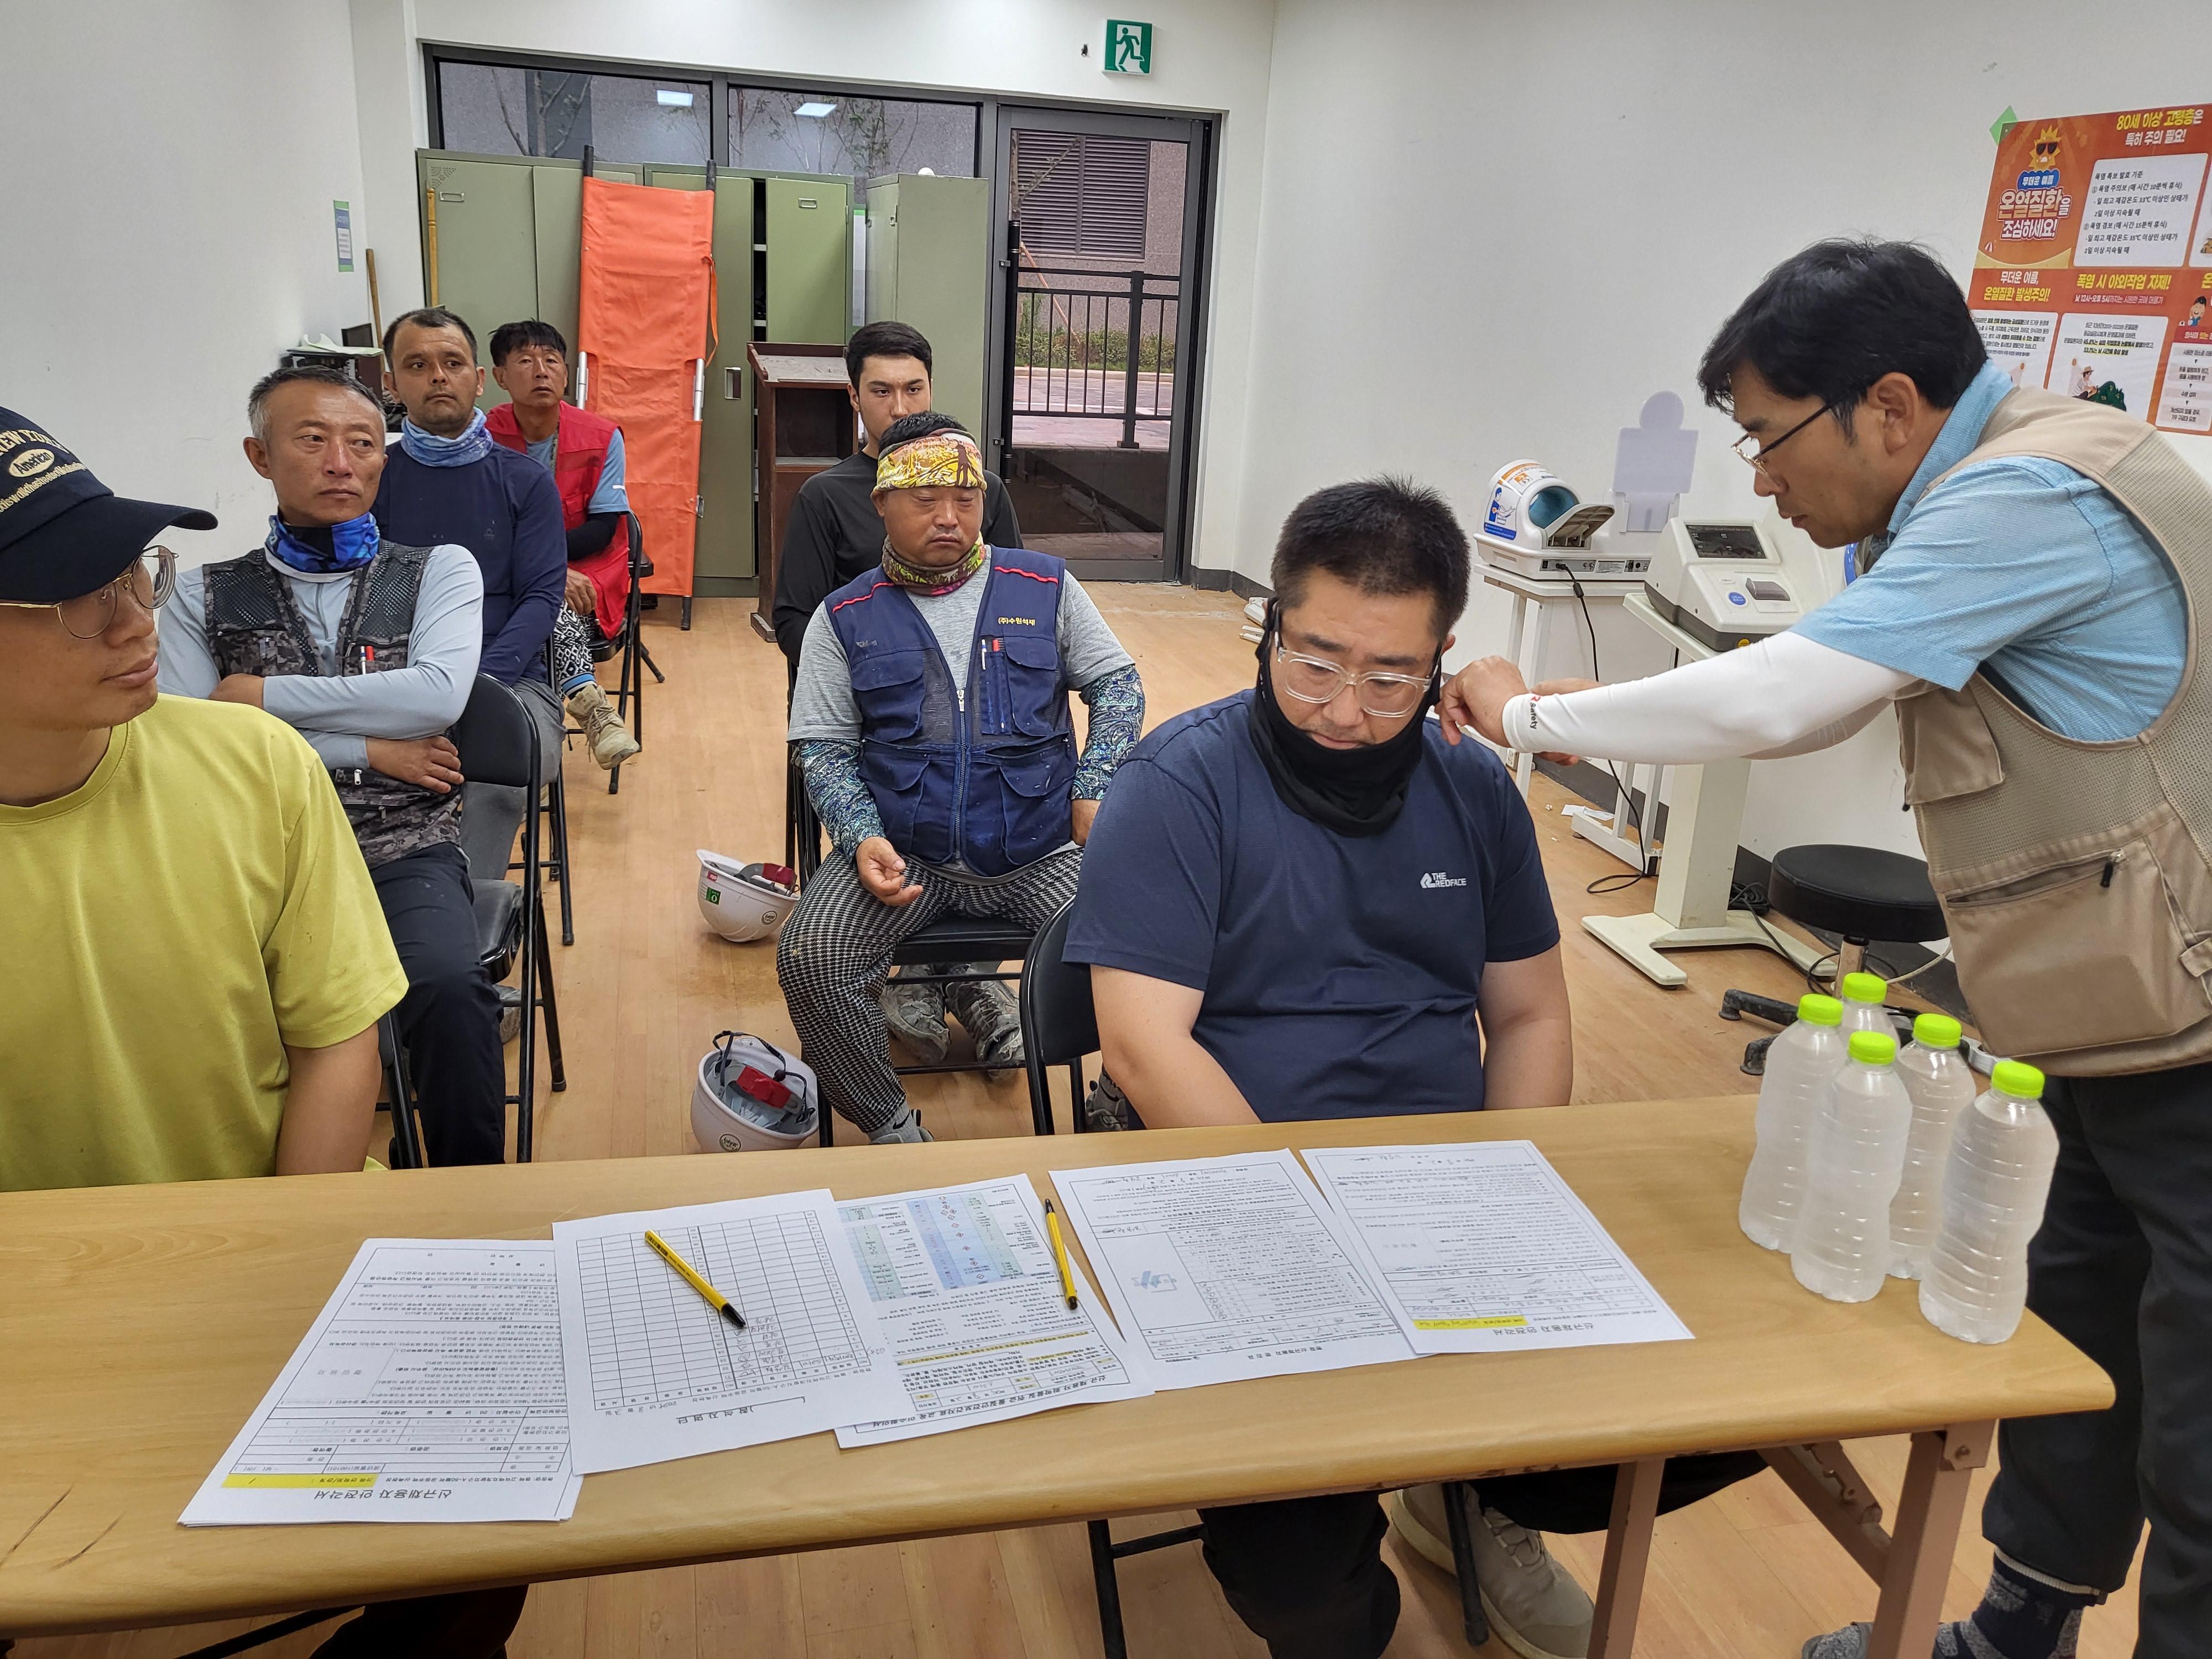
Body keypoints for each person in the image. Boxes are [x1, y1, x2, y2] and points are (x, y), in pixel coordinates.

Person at [1447, 238, 2212, 1659]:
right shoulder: (1978, 486)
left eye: (1765, 436)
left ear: (1890, 406)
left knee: (2199, 1426)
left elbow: (1780, 703)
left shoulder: (2030, 494)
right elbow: (1833, 693)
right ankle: (2020, 1624)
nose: (1760, 480)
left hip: (2192, 1032)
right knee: (2071, 1329)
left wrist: (1528, 717)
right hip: (2098, 1016)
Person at [1067, 478, 1760, 1659]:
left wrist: (1503, 1188)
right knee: (1305, 1592)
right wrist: (1306, 1229)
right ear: (1269, 624)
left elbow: (1529, 1015)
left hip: (1440, 1193)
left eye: (1391, 678)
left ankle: (1473, 1497)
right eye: (1314, 663)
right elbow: (1143, 1045)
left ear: (1444, 658)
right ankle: (1394, 1519)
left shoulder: (1472, 788)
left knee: (1729, 1411)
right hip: (1235, 1186)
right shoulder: (1178, 786)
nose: (1345, 709)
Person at [0, 406, 528, 1656]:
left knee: (496, 1520)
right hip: (41, 1310)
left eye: (138, 571)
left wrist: (275, 1266)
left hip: (283, 1232)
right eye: (74, 597)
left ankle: (470, 1208)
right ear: (262, 459)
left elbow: (336, 1034)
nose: (134, 616)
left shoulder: (245, 762)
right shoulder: (226, 656)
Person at [159, 366, 507, 1167]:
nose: (340, 463)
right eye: (312, 440)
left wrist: (258, 696)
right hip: (257, 856)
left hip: (402, 845)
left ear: (385, 457)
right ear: (260, 456)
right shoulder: (199, 595)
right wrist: (369, 747)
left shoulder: (438, 570)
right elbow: (195, 738)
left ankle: (471, 1198)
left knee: (451, 991)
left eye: (361, 443)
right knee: (189, 1003)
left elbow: (436, 697)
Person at [779, 412, 1143, 1141]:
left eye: (966, 498)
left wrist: (1095, 784)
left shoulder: (1044, 586)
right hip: (903, 854)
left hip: (1042, 850)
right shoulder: (843, 617)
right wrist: (861, 837)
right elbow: (823, 748)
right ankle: (891, 1127)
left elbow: (1118, 685)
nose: (949, 516)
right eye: (925, 499)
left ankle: (1122, 1094)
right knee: (811, 957)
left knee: (1155, 937)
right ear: (882, 503)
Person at [771, 321, 1026, 1066]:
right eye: (881, 391)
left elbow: (1015, 603)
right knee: (900, 801)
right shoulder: (826, 496)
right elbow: (793, 619)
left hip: (975, 711)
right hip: (871, 716)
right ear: (854, 399)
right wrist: (882, 679)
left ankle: (955, 975)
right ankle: (919, 974)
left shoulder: (982, 490)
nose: (899, 405)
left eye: (913, 388)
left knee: (998, 792)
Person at [372, 306, 567, 885]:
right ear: (391, 384)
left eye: (452, 363)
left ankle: (468, 921)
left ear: (479, 380)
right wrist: (417, 693)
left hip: (507, 680)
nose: (438, 376)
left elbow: (541, 597)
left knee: (499, 778)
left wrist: (475, 687)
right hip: (395, 678)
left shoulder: (524, 480)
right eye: (417, 365)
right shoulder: (373, 478)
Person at [485, 316, 641, 771]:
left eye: (551, 360)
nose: (541, 371)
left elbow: (603, 528)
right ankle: (587, 702)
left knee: (545, 596)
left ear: (566, 373)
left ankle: (514, 730)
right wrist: (546, 570)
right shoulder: (483, 435)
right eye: (525, 361)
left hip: (588, 566)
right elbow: (481, 527)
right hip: (510, 569)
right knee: (546, 592)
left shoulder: (602, 436)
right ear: (499, 376)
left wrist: (544, 568)